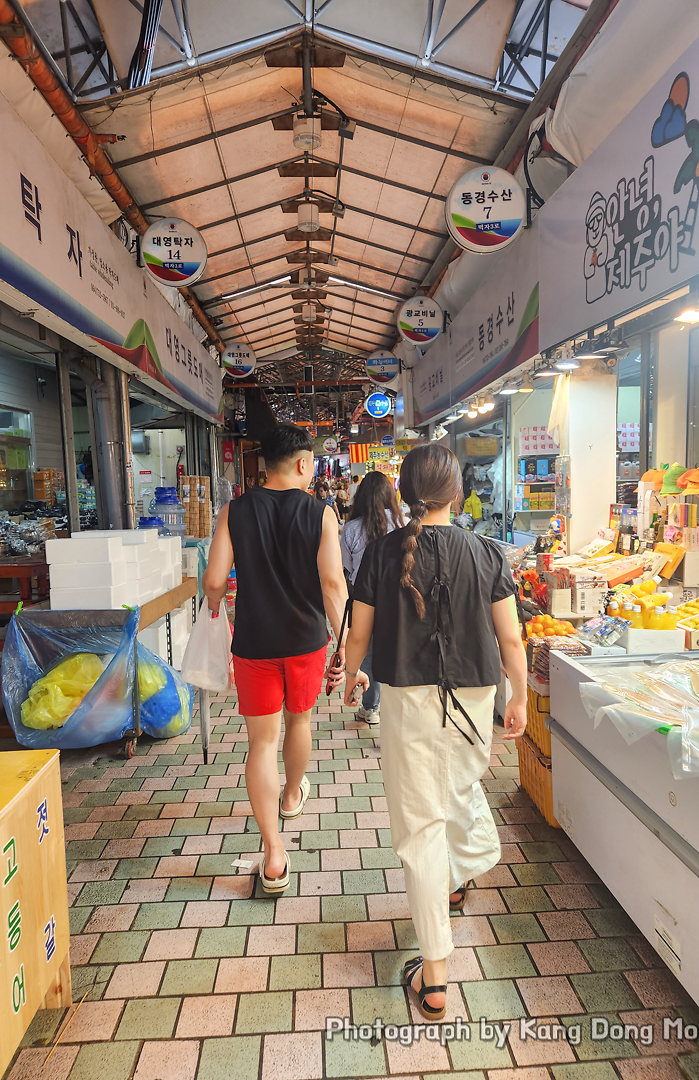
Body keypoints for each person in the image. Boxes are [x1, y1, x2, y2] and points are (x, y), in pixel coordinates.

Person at [342, 442, 527, 1020]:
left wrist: (350, 676)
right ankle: (457, 873)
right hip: (475, 697)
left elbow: (359, 634)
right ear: (457, 493)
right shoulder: (488, 552)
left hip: (406, 701)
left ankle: (437, 971)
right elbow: (512, 639)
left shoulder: (380, 552)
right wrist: (517, 694)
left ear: (404, 494)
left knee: (420, 827)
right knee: (457, 790)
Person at [202, 424, 349, 895]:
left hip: (254, 642)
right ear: (305, 464)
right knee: (300, 722)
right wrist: (344, 641)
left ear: (264, 464)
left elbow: (213, 580)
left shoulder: (234, 511)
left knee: (260, 743)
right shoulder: (321, 513)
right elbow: (332, 586)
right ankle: (291, 795)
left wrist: (217, 606)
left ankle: (273, 855)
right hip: (306, 640)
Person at [339, 471, 404, 724]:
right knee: (396, 647)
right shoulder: (403, 523)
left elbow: (346, 567)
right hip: (397, 596)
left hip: (363, 595)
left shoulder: (352, 528)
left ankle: (370, 707)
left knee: (365, 647)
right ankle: (395, 707)